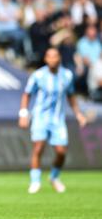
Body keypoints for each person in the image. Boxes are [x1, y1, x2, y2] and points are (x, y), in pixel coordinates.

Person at [18, 48, 87, 194]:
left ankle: (54, 177)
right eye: (50, 56)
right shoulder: (38, 75)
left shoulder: (67, 75)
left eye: (55, 56)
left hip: (58, 119)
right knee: (38, 148)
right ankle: (35, 181)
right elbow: (27, 94)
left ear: (59, 58)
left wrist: (79, 114)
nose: (53, 59)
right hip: (40, 117)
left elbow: (71, 96)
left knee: (61, 151)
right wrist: (23, 113)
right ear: (45, 59)